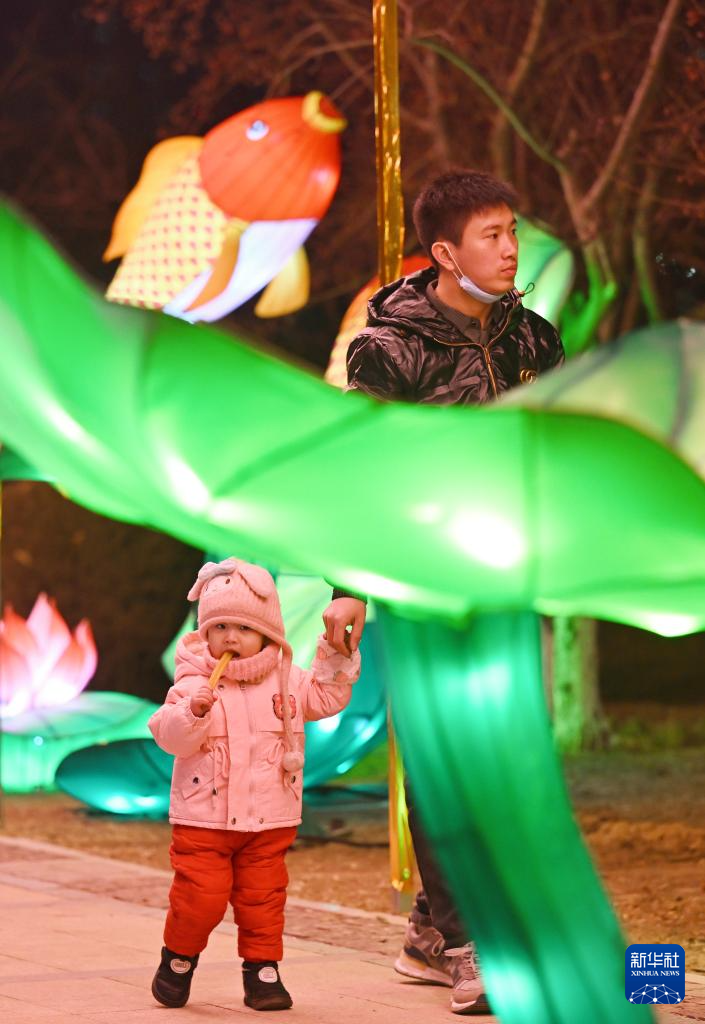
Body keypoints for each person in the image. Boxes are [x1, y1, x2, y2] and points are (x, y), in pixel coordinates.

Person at [323, 169, 565, 1016]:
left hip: (509, 576)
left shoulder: (533, 340)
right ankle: (465, 945)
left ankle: (431, 931)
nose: (510, 249)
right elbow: (363, 473)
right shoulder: (388, 350)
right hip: (424, 580)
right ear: (444, 253)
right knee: (442, 760)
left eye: (511, 231)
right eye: (491, 235)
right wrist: (349, 588)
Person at [149, 556, 360, 1012]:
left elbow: (327, 697)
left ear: (267, 632)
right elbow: (169, 737)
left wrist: (335, 652)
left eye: (243, 628)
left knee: (263, 899)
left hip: (269, 819)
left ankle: (263, 971)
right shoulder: (193, 683)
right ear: (205, 633)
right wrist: (192, 713)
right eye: (220, 627)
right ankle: (178, 957)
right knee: (199, 899)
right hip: (204, 821)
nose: (231, 637)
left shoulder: (289, 681)